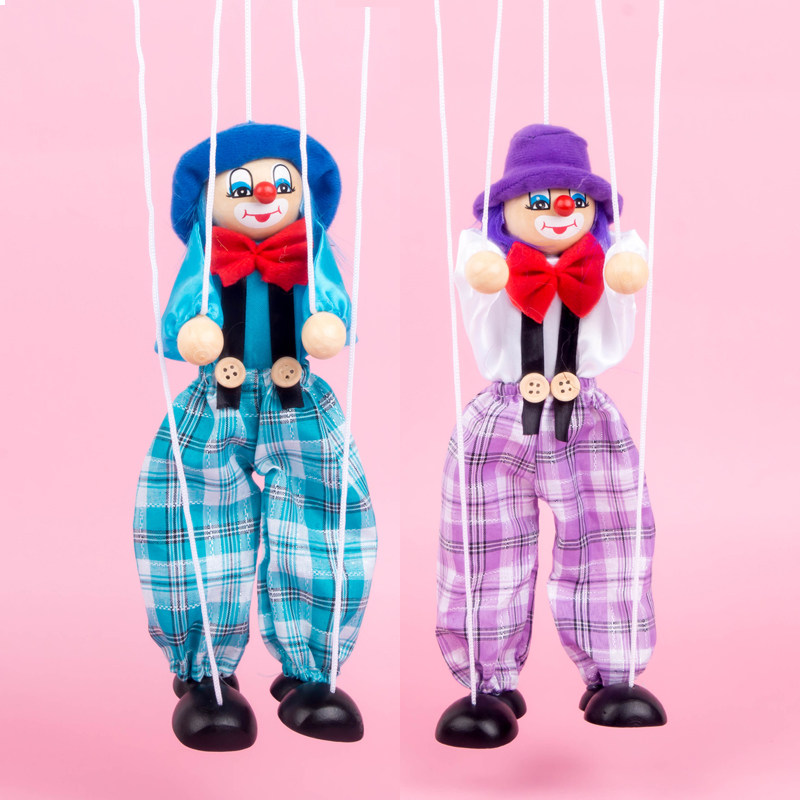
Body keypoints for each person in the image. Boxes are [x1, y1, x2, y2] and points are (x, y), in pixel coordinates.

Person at [133, 122, 377, 750]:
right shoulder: (207, 257)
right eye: (241, 187)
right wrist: (194, 328)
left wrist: (327, 320)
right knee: (194, 513)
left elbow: (329, 298)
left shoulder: (309, 250)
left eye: (280, 185)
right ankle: (204, 672)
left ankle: (311, 672)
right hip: (218, 394)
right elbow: (188, 306)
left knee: (327, 513)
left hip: (299, 395)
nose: (264, 196)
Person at [435, 124, 666, 748]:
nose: (558, 210)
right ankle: (486, 682)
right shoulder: (488, 256)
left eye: (573, 200)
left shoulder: (605, 259)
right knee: (484, 545)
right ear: (507, 211)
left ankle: (615, 675)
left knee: (610, 537)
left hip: (586, 414)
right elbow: (474, 266)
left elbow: (628, 267)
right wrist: (487, 264)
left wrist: (626, 266)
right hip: (501, 416)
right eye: (538, 200)